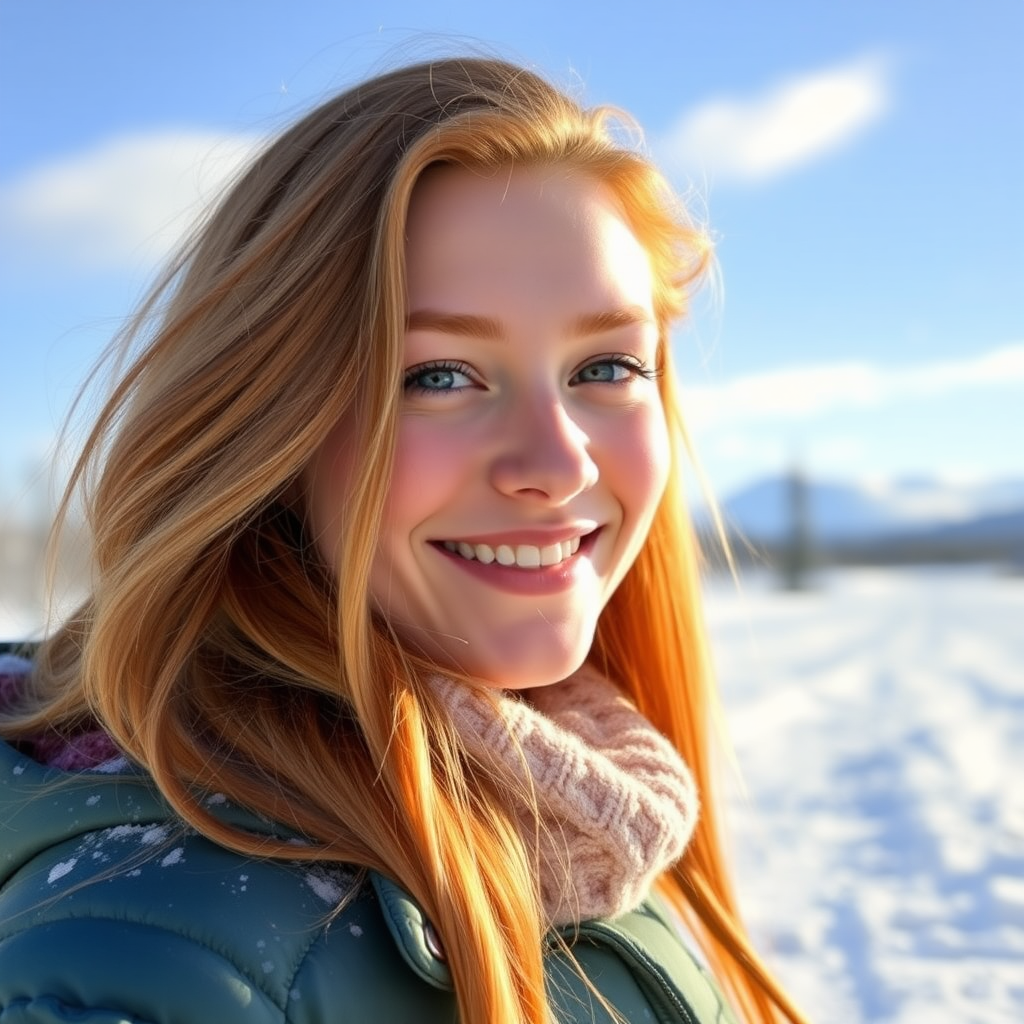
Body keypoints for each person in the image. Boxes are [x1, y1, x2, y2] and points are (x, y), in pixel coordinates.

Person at [0, 57, 808, 1024]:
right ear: (269, 426)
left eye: (606, 364)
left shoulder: (574, 798)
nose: (558, 462)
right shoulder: (182, 953)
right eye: (438, 376)